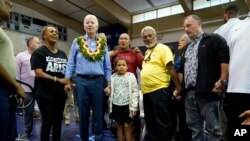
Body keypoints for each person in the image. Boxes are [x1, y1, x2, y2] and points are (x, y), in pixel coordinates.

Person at [180, 15, 229, 141]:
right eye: (184, 27)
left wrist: (223, 81)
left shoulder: (213, 39)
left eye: (189, 25)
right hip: (190, 94)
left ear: (199, 24)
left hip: (208, 93)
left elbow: (225, 58)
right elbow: (182, 70)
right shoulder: (187, 47)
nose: (186, 29)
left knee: (214, 129)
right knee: (195, 129)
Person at [65, 14, 112, 141]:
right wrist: (67, 80)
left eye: (92, 22)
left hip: (98, 81)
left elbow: (107, 65)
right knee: (83, 114)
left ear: (97, 26)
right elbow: (71, 62)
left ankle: (99, 138)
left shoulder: (103, 43)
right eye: (87, 22)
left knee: (98, 114)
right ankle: (84, 139)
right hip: (81, 81)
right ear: (84, 26)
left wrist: (109, 84)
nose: (90, 24)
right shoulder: (77, 41)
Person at [140, 26, 182, 141]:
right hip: (147, 92)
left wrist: (178, 88)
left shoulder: (162, 48)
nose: (147, 38)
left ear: (155, 36)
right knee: (151, 123)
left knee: (163, 123)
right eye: (144, 37)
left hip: (160, 90)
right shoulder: (147, 52)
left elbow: (171, 68)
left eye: (150, 36)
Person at [30, 25, 68, 141]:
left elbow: (66, 73)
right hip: (44, 93)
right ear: (44, 36)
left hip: (60, 94)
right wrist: (57, 80)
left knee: (57, 122)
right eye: (51, 31)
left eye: (56, 32)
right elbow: (38, 73)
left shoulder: (62, 54)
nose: (55, 33)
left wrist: (67, 83)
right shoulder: (39, 52)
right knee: (47, 121)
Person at [223, 0, 250, 140]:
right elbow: (230, 59)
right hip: (233, 96)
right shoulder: (237, 27)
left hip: (248, 95)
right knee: (235, 136)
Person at [109, 33, 143, 141]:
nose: (123, 41)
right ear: (118, 41)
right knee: (119, 126)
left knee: (131, 125)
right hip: (118, 95)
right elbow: (107, 69)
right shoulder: (114, 54)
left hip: (131, 93)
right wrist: (107, 55)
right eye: (121, 39)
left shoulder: (135, 53)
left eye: (125, 39)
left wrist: (140, 54)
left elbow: (143, 66)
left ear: (129, 41)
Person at [0, 1, 26, 140]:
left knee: (10, 134)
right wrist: (16, 85)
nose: (11, 7)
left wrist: (14, 86)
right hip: (1, 89)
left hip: (7, 89)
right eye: (7, 3)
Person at [108, 58, 139, 141]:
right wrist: (108, 91)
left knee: (127, 126)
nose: (121, 67)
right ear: (115, 68)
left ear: (127, 67)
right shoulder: (112, 77)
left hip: (127, 106)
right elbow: (110, 90)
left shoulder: (131, 76)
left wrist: (134, 107)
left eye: (123, 65)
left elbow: (135, 91)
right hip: (116, 105)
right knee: (119, 126)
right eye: (119, 65)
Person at [15, 36, 40, 139]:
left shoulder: (41, 56)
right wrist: (18, 88)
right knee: (28, 112)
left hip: (40, 88)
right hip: (27, 90)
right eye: (37, 43)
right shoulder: (20, 56)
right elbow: (17, 74)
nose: (39, 45)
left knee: (45, 111)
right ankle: (27, 131)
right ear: (30, 44)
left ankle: (48, 130)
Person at [173, 34, 192, 141]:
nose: (179, 42)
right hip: (179, 93)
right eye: (179, 39)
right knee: (181, 118)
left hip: (184, 93)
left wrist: (178, 91)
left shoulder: (184, 57)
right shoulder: (179, 56)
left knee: (185, 120)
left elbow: (181, 75)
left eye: (182, 40)